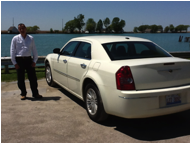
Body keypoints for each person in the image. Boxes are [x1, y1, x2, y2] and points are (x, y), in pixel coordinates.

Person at [10, 23, 43, 100]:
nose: (22, 30)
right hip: (19, 60)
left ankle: (35, 93)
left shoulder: (31, 38)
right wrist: (14, 63)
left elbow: (34, 50)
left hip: (28, 60)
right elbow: (12, 51)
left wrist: (34, 61)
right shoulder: (15, 38)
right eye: (20, 29)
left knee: (33, 78)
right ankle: (23, 93)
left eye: (23, 28)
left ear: (25, 29)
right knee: (20, 79)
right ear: (18, 30)